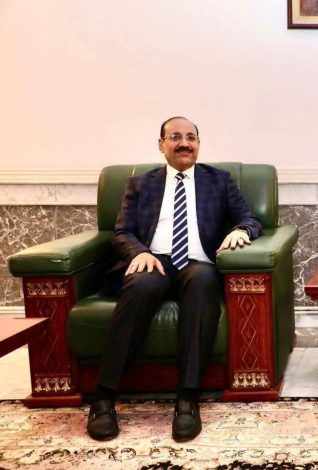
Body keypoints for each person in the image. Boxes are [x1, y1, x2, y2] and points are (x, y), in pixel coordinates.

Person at [87, 116, 262, 442]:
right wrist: (138, 252)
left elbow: (249, 217)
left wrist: (242, 230)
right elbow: (122, 232)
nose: (184, 143)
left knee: (202, 282)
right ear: (161, 144)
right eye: (175, 137)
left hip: (198, 263)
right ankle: (104, 397)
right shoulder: (141, 183)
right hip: (154, 260)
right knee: (141, 285)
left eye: (191, 137)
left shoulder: (219, 180)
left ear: (198, 143)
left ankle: (187, 399)